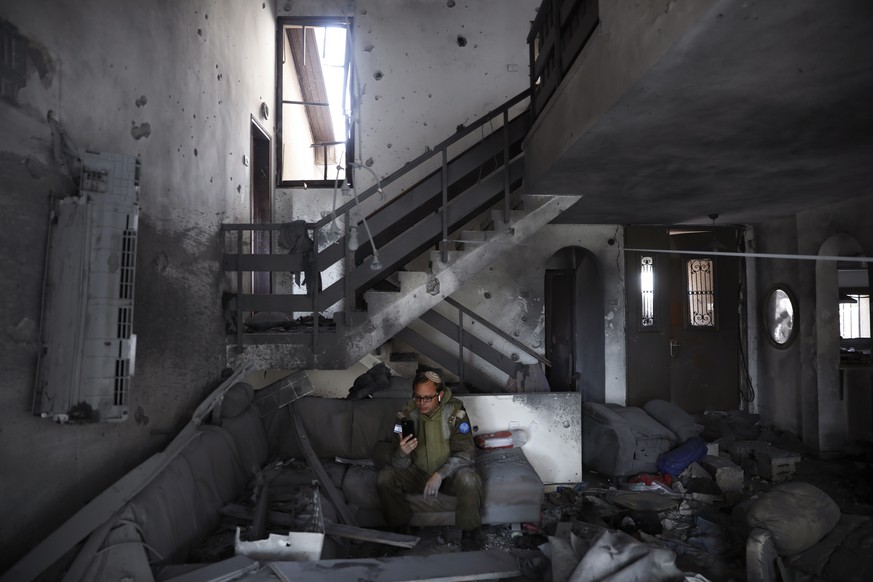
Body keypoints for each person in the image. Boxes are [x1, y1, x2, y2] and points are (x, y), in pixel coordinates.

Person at [377, 370, 483, 549]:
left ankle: (469, 534)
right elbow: (397, 463)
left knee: (470, 479)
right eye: (417, 397)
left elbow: (466, 453)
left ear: (440, 395)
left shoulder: (455, 412)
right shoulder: (405, 414)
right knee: (385, 478)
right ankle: (400, 531)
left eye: (427, 398)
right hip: (416, 473)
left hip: (448, 476)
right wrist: (402, 452)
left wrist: (440, 474)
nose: (421, 403)